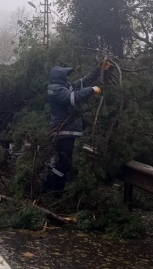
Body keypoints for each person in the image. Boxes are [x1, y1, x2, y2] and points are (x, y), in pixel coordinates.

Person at [43, 63, 107, 192]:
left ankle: (56, 190)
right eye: (66, 75)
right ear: (60, 77)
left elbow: (83, 81)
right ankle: (49, 186)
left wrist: (98, 69)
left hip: (66, 131)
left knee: (63, 162)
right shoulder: (57, 90)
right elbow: (72, 98)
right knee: (64, 163)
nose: (68, 78)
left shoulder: (63, 87)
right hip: (63, 132)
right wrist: (92, 90)